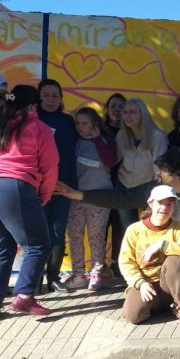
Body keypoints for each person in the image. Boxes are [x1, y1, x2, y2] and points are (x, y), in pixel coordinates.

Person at [0, 85, 59, 315]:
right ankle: (24, 296)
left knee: (4, 248)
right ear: (34, 105)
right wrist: (44, 195)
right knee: (38, 245)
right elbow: (50, 166)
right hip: (17, 187)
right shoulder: (38, 126)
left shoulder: (4, 123)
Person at [55, 147, 180, 228]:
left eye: (162, 170)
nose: (158, 173)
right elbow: (120, 198)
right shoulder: (154, 190)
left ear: (177, 173)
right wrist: (77, 195)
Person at [119, 185, 180, 324]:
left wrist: (163, 245)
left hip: (169, 286)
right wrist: (140, 283)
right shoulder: (134, 229)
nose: (165, 208)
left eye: (169, 204)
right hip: (146, 284)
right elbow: (126, 262)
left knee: (175, 258)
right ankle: (156, 306)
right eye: (160, 203)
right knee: (133, 316)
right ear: (150, 203)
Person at [65, 107, 118, 291]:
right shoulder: (73, 142)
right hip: (75, 197)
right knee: (75, 235)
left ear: (94, 124)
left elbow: (111, 161)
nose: (80, 127)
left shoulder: (105, 140)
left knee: (96, 236)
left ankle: (96, 274)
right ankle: (78, 274)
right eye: (77, 123)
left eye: (84, 123)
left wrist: (96, 140)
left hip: (100, 197)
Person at [37, 78, 77, 293]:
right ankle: (33, 281)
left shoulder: (68, 121)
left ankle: (53, 277)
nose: (51, 99)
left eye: (55, 95)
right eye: (46, 95)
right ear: (38, 98)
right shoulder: (33, 119)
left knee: (57, 232)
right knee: (38, 234)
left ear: (61, 98)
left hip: (64, 186)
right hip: (39, 187)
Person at [114, 98, 169, 235]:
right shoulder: (121, 135)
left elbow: (159, 167)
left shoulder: (157, 137)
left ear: (143, 114)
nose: (128, 116)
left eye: (133, 112)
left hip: (148, 187)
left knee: (152, 227)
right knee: (128, 230)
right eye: (125, 112)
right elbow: (115, 160)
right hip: (124, 185)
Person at [102, 92, 127, 278]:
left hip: (124, 185)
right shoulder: (100, 130)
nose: (117, 110)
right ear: (107, 110)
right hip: (102, 184)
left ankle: (117, 266)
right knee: (100, 227)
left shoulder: (131, 130)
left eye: (121, 107)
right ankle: (98, 266)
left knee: (120, 227)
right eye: (113, 106)